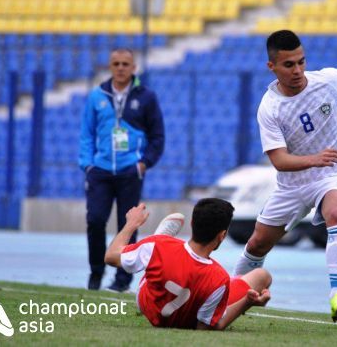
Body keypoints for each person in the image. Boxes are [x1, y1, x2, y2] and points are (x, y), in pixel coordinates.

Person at [232, 30, 337, 322]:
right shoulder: (269, 108)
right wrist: (314, 159)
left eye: (301, 62)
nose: (298, 70)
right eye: (289, 65)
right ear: (271, 66)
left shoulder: (327, 80)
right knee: (258, 244)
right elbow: (279, 161)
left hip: (332, 175)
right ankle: (231, 291)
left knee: (336, 212)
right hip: (293, 185)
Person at [105, 199, 272, 330]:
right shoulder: (218, 277)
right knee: (262, 276)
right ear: (222, 235)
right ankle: (150, 258)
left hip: (147, 305)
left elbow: (111, 257)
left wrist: (131, 224)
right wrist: (247, 302)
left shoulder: (159, 246)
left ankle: (149, 257)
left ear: (192, 223)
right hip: (193, 309)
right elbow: (207, 327)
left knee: (155, 252)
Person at [79, 48, 165, 292]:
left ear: (134, 68)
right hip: (101, 171)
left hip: (130, 171)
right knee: (95, 220)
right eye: (115, 63)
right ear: (110, 66)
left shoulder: (146, 97)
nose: (120, 68)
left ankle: (122, 279)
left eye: (125, 64)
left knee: (126, 226)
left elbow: (158, 136)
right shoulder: (97, 96)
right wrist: (87, 164)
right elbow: (86, 133)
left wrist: (144, 163)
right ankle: (96, 271)